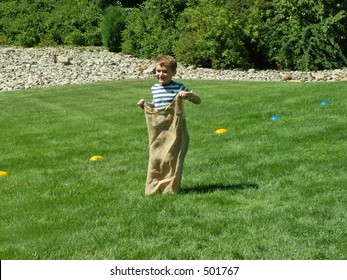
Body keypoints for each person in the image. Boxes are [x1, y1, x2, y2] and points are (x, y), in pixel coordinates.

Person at [137, 55, 201, 195]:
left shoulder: (178, 87)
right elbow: (157, 106)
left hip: (174, 128)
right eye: (158, 71)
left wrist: (187, 94)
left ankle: (171, 188)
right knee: (157, 157)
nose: (160, 74)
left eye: (165, 71)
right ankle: (154, 187)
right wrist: (146, 105)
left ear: (173, 73)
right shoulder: (155, 88)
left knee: (172, 157)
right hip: (159, 128)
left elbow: (198, 100)